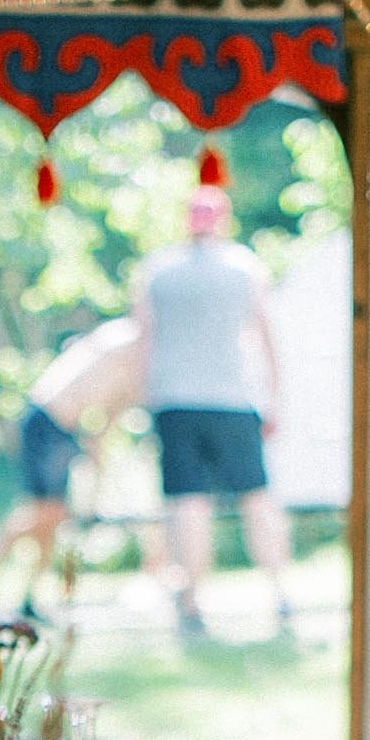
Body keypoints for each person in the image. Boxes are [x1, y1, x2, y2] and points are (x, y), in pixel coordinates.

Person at [134, 188, 292, 645]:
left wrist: (148, 401)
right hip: (234, 400)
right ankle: (281, 594)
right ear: (223, 220)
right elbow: (265, 336)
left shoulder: (157, 272)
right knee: (257, 497)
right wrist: (274, 398)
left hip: (174, 402)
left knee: (187, 502)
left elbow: (144, 339)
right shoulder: (245, 268)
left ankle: (191, 604)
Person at [0, 315, 143, 618]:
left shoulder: (134, 351)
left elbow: (106, 417)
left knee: (53, 519)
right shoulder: (126, 338)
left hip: (63, 430)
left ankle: (29, 597)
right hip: (46, 423)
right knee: (42, 513)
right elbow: (109, 398)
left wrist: (97, 482)